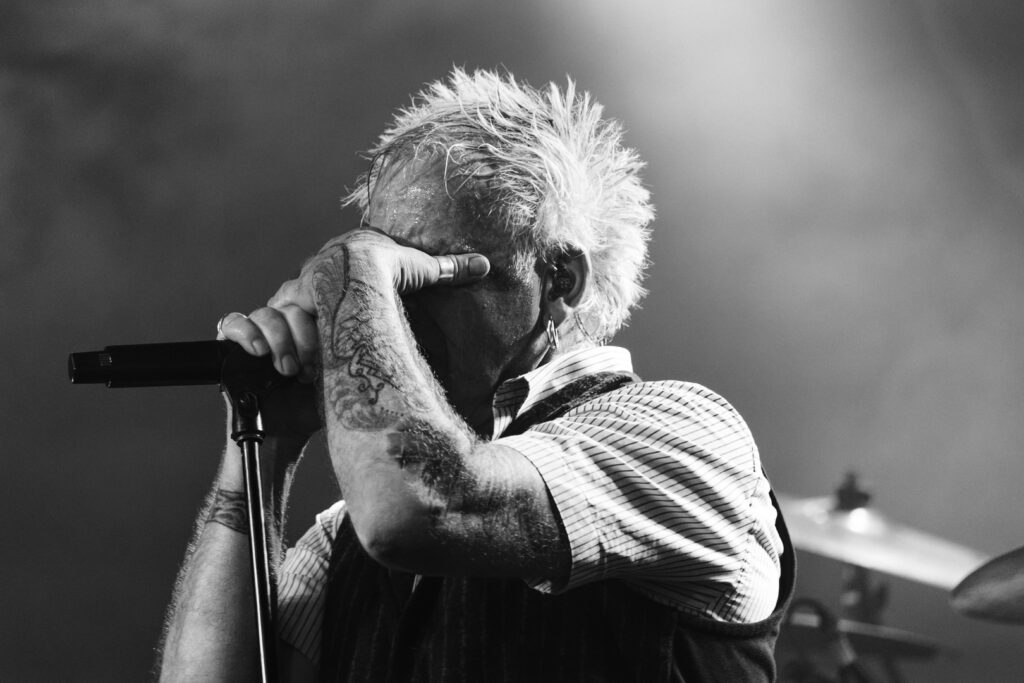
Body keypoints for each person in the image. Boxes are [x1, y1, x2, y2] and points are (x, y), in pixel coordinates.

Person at [157, 67, 793, 682]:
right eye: (386, 272)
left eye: (424, 271)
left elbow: (416, 509)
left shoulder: (682, 432)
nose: (384, 311)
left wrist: (352, 269)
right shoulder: (343, 536)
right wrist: (264, 445)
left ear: (560, 280)